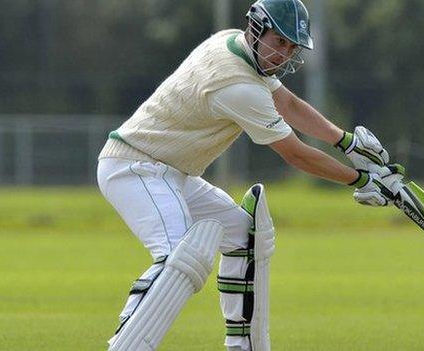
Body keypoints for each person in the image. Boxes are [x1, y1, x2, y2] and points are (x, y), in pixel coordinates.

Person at [97, 0, 401, 350]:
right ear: (256, 28)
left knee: (245, 236)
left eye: (291, 46)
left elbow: (288, 105)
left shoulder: (233, 44)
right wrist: (361, 180)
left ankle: (244, 346)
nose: (283, 54)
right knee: (179, 258)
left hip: (173, 173)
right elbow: (296, 153)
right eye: (279, 41)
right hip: (135, 168)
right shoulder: (237, 86)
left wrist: (346, 142)